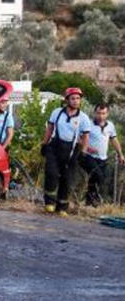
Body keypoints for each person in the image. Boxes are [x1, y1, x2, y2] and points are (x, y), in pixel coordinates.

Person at [40, 87, 92, 217]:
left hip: (72, 149)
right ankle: (49, 203)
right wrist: (44, 144)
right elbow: (50, 129)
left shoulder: (83, 118)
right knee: (51, 173)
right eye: (73, 98)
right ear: (67, 100)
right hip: (55, 146)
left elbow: (85, 137)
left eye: (78, 99)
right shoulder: (57, 113)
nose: (75, 101)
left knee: (67, 179)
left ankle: (62, 207)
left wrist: (83, 153)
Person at [80, 103, 125, 207]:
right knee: (98, 176)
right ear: (95, 113)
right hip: (88, 156)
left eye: (103, 113)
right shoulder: (89, 124)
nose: (101, 116)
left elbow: (114, 140)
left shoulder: (110, 126)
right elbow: (79, 138)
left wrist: (121, 154)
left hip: (102, 157)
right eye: (99, 113)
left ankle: (89, 202)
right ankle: (94, 199)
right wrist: (87, 147)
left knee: (95, 178)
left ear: (107, 114)